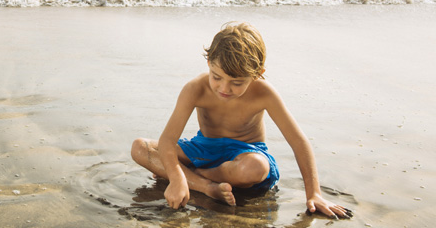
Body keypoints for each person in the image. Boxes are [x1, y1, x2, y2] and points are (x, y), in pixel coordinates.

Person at [130, 22, 352, 219]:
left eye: (237, 82)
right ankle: (207, 187)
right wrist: (177, 177)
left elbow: (298, 141)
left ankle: (195, 176)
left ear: (257, 73)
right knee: (141, 147)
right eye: (217, 77)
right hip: (203, 148)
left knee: (254, 168)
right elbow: (168, 140)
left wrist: (314, 194)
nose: (224, 88)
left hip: (246, 152)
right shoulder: (195, 89)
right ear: (209, 62)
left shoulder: (264, 93)